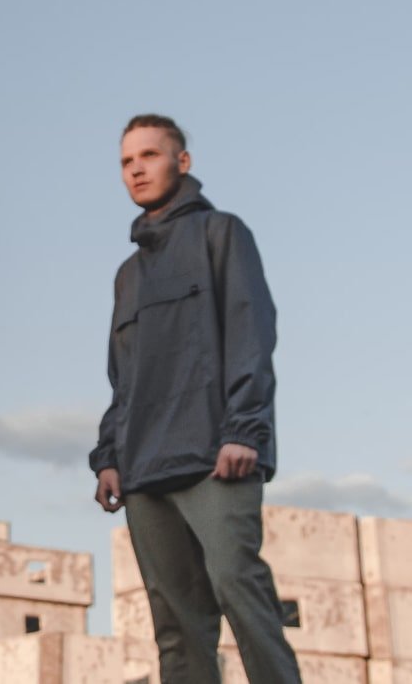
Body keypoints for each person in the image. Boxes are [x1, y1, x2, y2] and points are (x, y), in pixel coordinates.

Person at [89, 115, 300, 683]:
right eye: (126, 161)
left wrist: (244, 430)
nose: (136, 169)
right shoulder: (127, 275)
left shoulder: (221, 233)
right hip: (142, 470)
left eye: (149, 155)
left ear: (182, 162)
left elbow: (251, 333)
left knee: (239, 589)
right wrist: (108, 456)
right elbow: (122, 378)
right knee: (176, 628)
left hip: (216, 455)